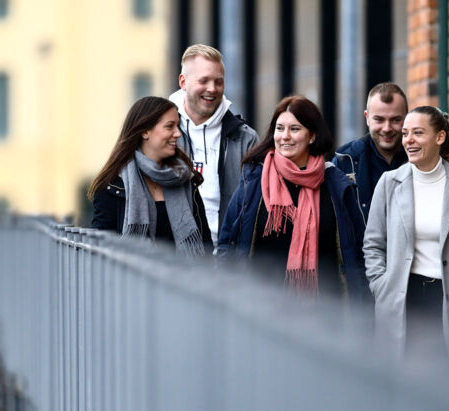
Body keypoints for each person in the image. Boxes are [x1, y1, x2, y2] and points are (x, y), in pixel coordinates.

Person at [363, 106, 449, 378]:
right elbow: (373, 243)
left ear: (440, 137)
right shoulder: (389, 183)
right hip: (400, 299)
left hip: (446, 299)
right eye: (406, 134)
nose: (408, 140)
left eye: (418, 133)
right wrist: (381, 285)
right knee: (401, 386)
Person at [218, 96, 366, 299]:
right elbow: (227, 243)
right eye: (280, 129)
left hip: (327, 311)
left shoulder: (336, 184)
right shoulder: (253, 182)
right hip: (260, 307)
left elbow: (358, 252)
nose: (285, 136)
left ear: (312, 136)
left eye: (294, 129)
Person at [88, 96, 210, 254]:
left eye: (178, 126)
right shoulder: (112, 187)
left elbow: (205, 243)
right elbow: (100, 252)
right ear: (145, 132)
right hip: (132, 276)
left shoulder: (185, 178)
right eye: (169, 127)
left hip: (184, 277)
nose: (178, 134)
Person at [169, 44, 258, 247]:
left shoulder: (246, 139)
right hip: (174, 261)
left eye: (219, 82)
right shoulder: (161, 134)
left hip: (228, 262)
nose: (212, 89)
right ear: (183, 82)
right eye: (204, 81)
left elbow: (255, 204)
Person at [333, 82, 408, 220]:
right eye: (379, 120)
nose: (387, 128)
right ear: (367, 118)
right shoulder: (344, 161)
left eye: (396, 120)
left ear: (407, 118)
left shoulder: (420, 160)